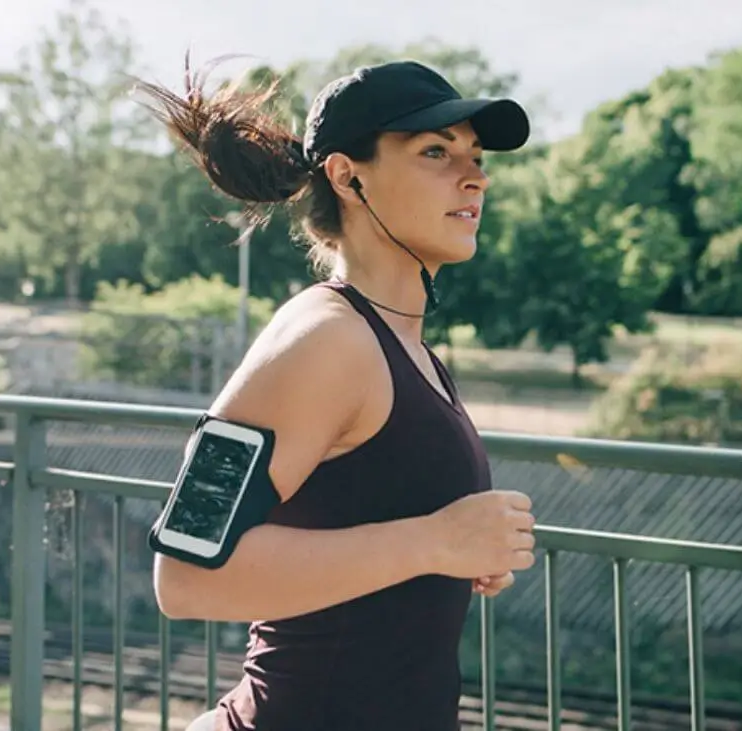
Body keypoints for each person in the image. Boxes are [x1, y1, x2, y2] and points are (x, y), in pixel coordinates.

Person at [137, 56, 538, 731]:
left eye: (474, 155)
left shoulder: (408, 347)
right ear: (348, 176)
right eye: (435, 151)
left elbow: (359, 521)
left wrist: (459, 552)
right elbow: (184, 575)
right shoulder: (325, 340)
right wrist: (432, 543)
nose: (474, 175)